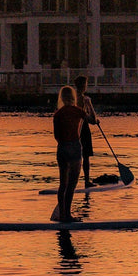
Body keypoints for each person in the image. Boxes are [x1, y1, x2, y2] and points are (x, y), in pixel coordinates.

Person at [51, 84, 85, 223]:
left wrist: (64, 143)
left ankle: (63, 215)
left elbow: (56, 136)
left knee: (62, 184)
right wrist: (88, 106)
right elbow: (93, 120)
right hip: (74, 147)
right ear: (73, 97)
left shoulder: (58, 114)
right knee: (72, 184)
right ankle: (68, 215)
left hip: (62, 148)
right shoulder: (78, 111)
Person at [73, 75, 99, 187]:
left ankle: (71, 181)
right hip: (83, 128)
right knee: (86, 156)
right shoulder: (84, 99)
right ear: (83, 86)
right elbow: (93, 120)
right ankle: (87, 181)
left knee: (75, 157)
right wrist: (90, 105)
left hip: (73, 128)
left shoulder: (72, 98)